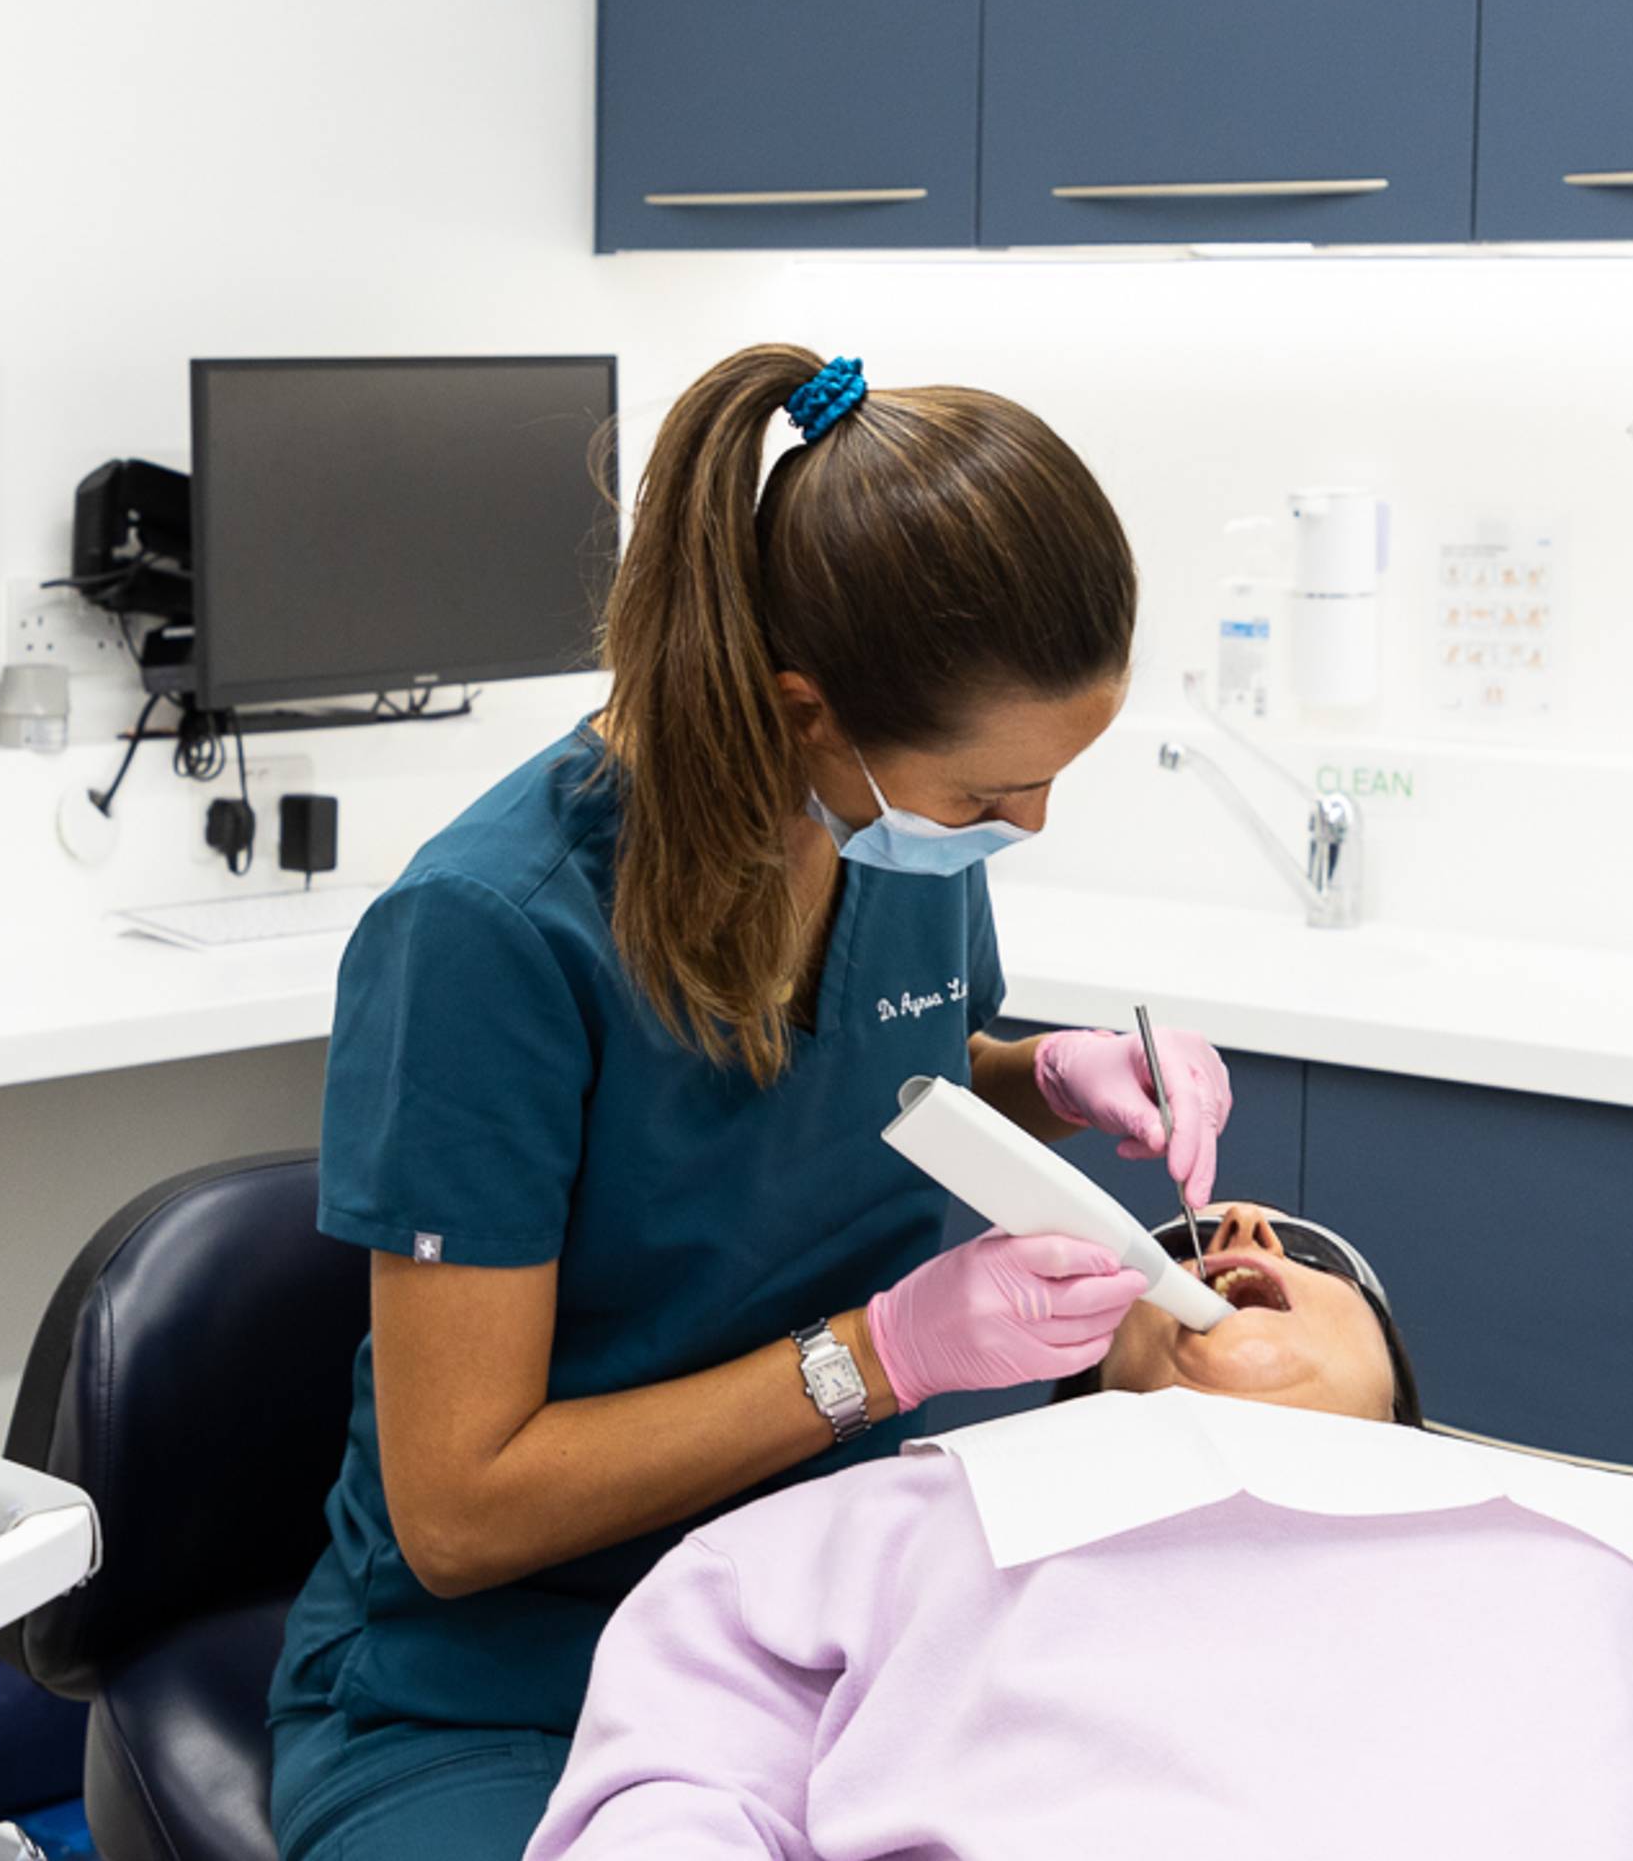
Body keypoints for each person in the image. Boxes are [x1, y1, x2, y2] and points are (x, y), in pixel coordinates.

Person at [266, 344, 1238, 1861]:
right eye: (987, 797)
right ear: (804, 711)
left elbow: (868, 1073)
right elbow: (460, 1514)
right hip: (505, 1690)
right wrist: (884, 1354)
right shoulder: (494, 932)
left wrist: (1044, 1078)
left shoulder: (877, 838)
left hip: (832, 1617)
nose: (1024, 829)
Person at [529, 1206, 1633, 1860]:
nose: (1235, 1235)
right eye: (1174, 1253)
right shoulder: (908, 1518)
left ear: (1401, 1387)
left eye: (1301, 1254)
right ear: (1080, 1374)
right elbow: (673, 1781)